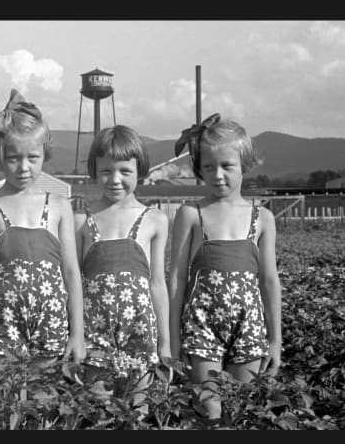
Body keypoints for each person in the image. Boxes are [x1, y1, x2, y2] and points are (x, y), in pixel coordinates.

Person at [168, 114, 281, 420]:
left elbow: (269, 282)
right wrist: (174, 337)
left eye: (227, 166)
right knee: (210, 407)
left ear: (245, 164)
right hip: (201, 326)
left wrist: (275, 340)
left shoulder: (262, 218)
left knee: (238, 408)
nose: (217, 175)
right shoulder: (191, 214)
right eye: (208, 167)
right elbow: (177, 278)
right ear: (198, 169)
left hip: (249, 327)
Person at [0, 89, 86, 368]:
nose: (23, 167)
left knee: (46, 406)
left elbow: (71, 272)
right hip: (1, 332)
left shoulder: (59, 205)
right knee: (6, 406)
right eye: (13, 158)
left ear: (45, 154)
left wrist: (77, 334)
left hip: (52, 331)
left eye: (32, 158)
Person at [74, 125, 171, 393]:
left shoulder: (155, 220)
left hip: (140, 333)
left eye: (125, 171)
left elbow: (158, 285)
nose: (115, 179)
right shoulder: (81, 220)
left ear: (140, 171)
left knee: (136, 409)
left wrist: (165, 343)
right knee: (97, 409)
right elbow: (71, 282)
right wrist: (74, 335)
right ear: (94, 171)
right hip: (93, 335)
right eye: (106, 171)